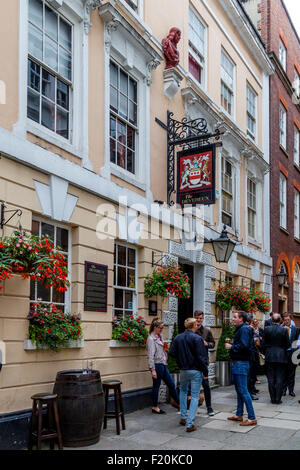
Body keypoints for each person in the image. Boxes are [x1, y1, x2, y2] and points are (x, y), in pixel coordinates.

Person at [169, 317, 208, 432]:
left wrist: (180, 361)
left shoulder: (178, 337)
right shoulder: (197, 338)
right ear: (194, 325)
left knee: (183, 391)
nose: (198, 324)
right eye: (197, 323)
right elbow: (201, 357)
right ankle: (190, 424)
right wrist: (205, 371)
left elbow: (171, 353)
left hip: (183, 369)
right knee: (195, 395)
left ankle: (183, 417)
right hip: (195, 370)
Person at [225, 311, 257, 426]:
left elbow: (244, 346)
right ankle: (239, 415)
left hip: (241, 363)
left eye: (235, 317)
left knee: (243, 391)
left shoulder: (243, 329)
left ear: (241, 319)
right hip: (238, 363)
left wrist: (231, 346)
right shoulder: (242, 328)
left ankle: (252, 418)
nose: (233, 319)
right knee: (239, 390)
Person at [146, 318, 180, 414]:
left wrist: (165, 349)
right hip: (157, 365)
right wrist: (153, 370)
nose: (162, 329)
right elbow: (150, 356)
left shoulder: (160, 336)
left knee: (171, 384)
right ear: (155, 327)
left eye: (162, 328)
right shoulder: (151, 339)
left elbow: (162, 350)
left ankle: (179, 403)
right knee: (156, 386)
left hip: (163, 364)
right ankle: (155, 407)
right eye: (160, 328)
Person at [263, 313, 290, 404]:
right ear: (280, 320)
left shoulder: (266, 329)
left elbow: (263, 344)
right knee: (279, 378)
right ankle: (278, 399)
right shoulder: (283, 330)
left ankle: (272, 398)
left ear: (272, 320)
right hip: (281, 356)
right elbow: (288, 345)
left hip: (270, 356)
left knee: (270, 378)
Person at [194, 310, 216, 416]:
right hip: (192, 363)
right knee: (192, 386)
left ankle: (209, 407)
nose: (198, 320)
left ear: (203, 319)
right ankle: (190, 406)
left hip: (203, 362)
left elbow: (213, 344)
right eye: (197, 318)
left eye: (200, 318)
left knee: (206, 386)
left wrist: (207, 344)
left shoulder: (207, 331)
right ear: (194, 318)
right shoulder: (190, 330)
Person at [281, 313, 300, 397]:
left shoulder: (296, 329)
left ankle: (291, 390)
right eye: (285, 320)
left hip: (293, 353)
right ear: (283, 320)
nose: (287, 321)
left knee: (292, 373)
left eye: (288, 320)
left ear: (291, 319)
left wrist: (295, 351)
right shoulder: (281, 328)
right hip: (283, 353)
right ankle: (283, 390)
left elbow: (297, 342)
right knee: (283, 372)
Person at [248, 319, 260, 400]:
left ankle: (252, 389)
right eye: (252, 324)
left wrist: (257, 338)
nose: (253, 325)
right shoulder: (248, 330)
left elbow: (258, 343)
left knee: (253, 373)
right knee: (250, 375)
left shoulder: (255, 331)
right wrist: (254, 339)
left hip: (254, 353)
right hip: (249, 354)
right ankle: (250, 391)